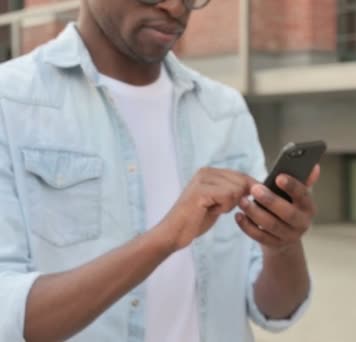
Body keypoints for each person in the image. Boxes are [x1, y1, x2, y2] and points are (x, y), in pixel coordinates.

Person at [0, 0, 320, 341]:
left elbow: (275, 311)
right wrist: (163, 239)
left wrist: (282, 245)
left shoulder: (225, 111)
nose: (175, 7)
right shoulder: (11, 102)